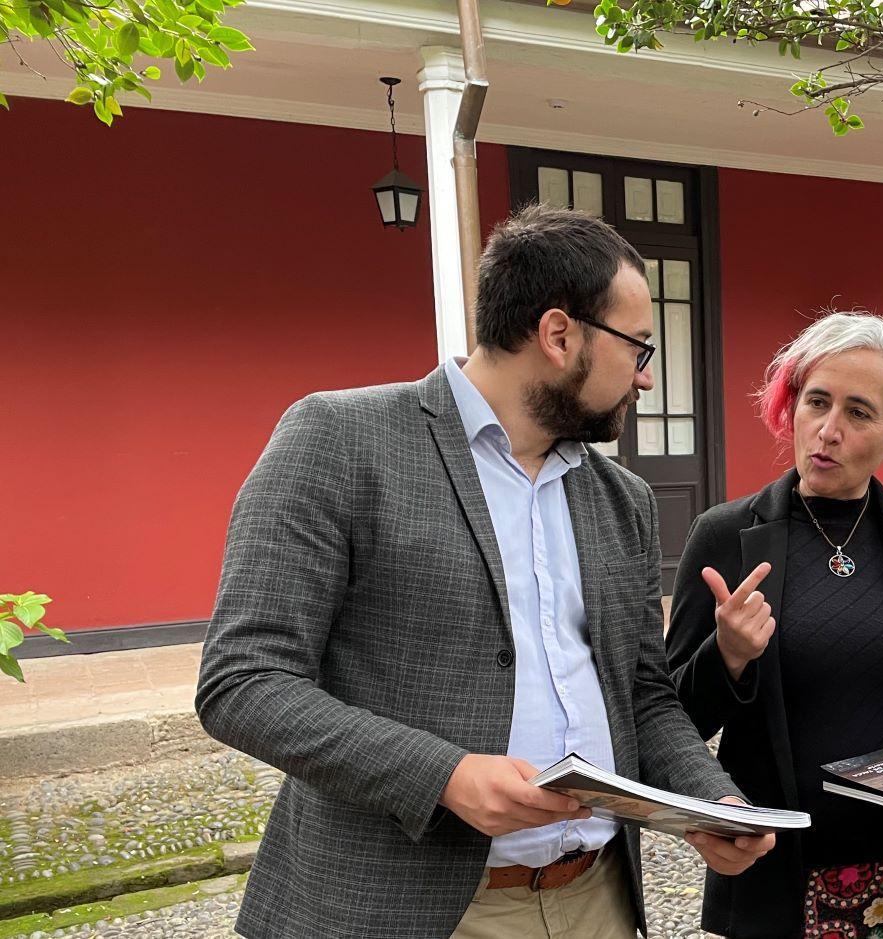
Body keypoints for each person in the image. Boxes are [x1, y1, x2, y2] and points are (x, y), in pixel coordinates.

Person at [196, 204, 772, 939]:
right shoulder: (338, 439)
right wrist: (444, 775)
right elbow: (243, 682)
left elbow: (642, 694)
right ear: (559, 335)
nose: (645, 378)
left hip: (597, 900)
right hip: (405, 912)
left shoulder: (620, 498)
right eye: (639, 348)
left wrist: (708, 802)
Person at [665, 312, 883, 939]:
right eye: (816, 401)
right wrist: (728, 655)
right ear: (790, 408)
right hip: (782, 883)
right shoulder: (725, 535)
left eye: (859, 412)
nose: (828, 430)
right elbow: (669, 714)